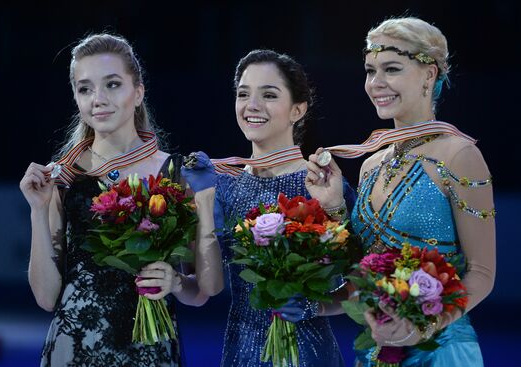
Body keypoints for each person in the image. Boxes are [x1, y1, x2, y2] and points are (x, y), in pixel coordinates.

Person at [19, 33, 222, 366]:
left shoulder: (176, 172)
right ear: (76, 97)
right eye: (85, 88)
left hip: (151, 350)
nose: (98, 99)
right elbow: (45, 297)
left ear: (138, 92)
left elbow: (201, 292)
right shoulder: (65, 178)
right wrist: (38, 211)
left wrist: (175, 282)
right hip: (75, 350)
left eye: (112, 84)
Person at [305, 17, 495, 366]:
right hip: (374, 352)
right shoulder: (370, 164)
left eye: (391, 69)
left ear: (429, 74)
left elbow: (482, 273)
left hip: (441, 351)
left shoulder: (460, 155)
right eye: (369, 70)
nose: (376, 83)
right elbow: (361, 275)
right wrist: (333, 207)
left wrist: (422, 327)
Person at [182, 49, 356, 367]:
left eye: (269, 95)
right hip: (242, 351)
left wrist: (316, 307)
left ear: (297, 110)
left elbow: (359, 279)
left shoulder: (322, 182)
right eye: (243, 94)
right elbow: (209, 287)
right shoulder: (223, 186)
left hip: (310, 352)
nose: (252, 105)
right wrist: (203, 199)